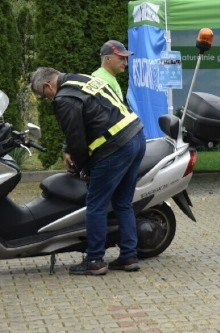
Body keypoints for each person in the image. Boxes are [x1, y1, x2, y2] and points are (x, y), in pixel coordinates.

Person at [30, 67, 146, 275]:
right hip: (136, 137)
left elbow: (77, 140)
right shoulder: (82, 79)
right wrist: (67, 150)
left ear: (49, 86)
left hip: (115, 148)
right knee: (122, 202)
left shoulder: (63, 99)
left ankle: (95, 260)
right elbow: (86, 119)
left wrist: (82, 168)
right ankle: (129, 256)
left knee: (95, 204)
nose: (47, 99)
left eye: (43, 95)